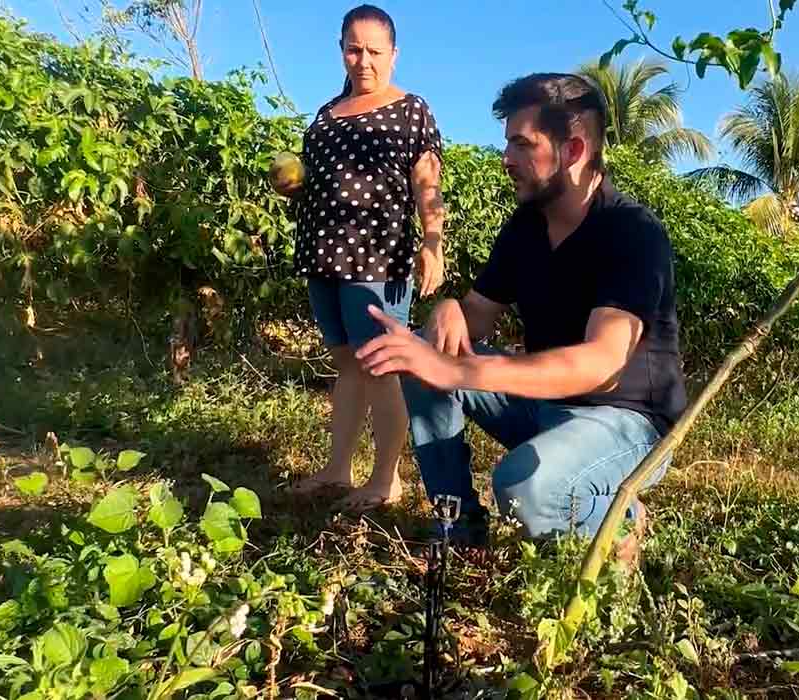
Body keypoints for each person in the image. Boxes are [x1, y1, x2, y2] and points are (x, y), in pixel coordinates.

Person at [356, 73, 686, 559]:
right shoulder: (526, 227)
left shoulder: (632, 232)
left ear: (572, 151)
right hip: (545, 408)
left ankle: (621, 518)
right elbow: (477, 316)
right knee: (423, 359)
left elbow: (602, 365)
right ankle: (458, 525)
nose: (506, 158)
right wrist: (448, 310)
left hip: (628, 422)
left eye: (521, 144)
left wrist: (459, 368)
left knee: (523, 488)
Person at [272, 5, 446, 511]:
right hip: (322, 254)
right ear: (341, 49)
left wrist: (432, 241)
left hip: (378, 258)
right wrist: (292, 186)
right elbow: (320, 182)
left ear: (393, 53)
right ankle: (337, 468)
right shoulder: (325, 113)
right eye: (353, 48)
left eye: (374, 50)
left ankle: (386, 478)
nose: (363, 60)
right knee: (346, 364)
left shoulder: (410, 109)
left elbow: (426, 182)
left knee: (381, 367)